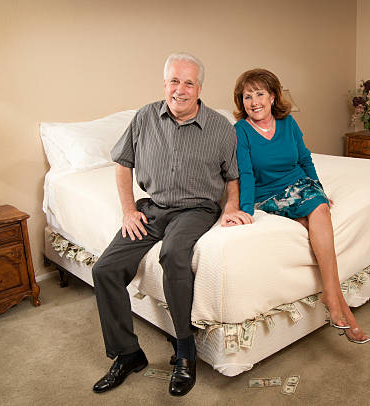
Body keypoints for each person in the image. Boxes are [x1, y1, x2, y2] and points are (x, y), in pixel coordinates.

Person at [91, 53, 252, 397]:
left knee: (174, 254)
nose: (180, 89)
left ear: (199, 88)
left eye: (188, 82)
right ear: (164, 83)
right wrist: (127, 210)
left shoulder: (220, 127)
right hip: (152, 207)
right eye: (174, 81)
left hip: (195, 209)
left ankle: (184, 350)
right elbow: (123, 164)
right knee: (105, 269)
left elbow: (232, 176)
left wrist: (232, 207)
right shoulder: (144, 117)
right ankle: (128, 353)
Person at [233, 68, 370, 344]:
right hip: (268, 194)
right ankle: (337, 299)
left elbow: (305, 159)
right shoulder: (240, 131)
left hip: (299, 184)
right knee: (310, 218)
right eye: (247, 96)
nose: (254, 101)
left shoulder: (288, 123)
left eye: (260, 94)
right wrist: (246, 210)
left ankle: (332, 296)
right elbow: (245, 174)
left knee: (318, 208)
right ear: (241, 102)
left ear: (273, 97)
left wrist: (318, 189)